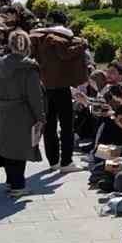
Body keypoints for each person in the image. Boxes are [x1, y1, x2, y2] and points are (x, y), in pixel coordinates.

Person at [0, 29, 47, 197]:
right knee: (19, 149)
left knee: (6, 147)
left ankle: (11, 180)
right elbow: (35, 96)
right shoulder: (29, 68)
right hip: (21, 114)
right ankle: (18, 185)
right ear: (27, 46)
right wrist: (41, 117)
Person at [31, 10, 90, 173]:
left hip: (44, 86)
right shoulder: (61, 37)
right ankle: (66, 162)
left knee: (49, 125)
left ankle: (53, 161)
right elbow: (65, 54)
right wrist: (83, 44)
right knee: (66, 125)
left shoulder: (39, 36)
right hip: (61, 86)